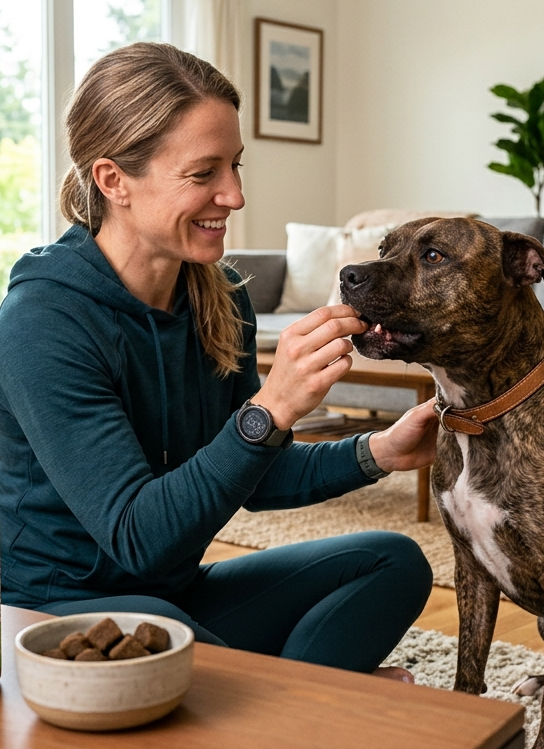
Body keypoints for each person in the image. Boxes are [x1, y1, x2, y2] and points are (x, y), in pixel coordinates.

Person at [0, 42, 438, 681]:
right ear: (113, 180)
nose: (233, 195)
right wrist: (273, 407)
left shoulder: (221, 295)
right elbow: (138, 537)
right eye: (203, 173)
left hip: (174, 593)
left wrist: (381, 452)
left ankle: (299, 709)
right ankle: (327, 704)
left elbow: (252, 476)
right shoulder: (44, 321)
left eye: (234, 166)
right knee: (217, 671)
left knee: (395, 561)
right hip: (60, 614)